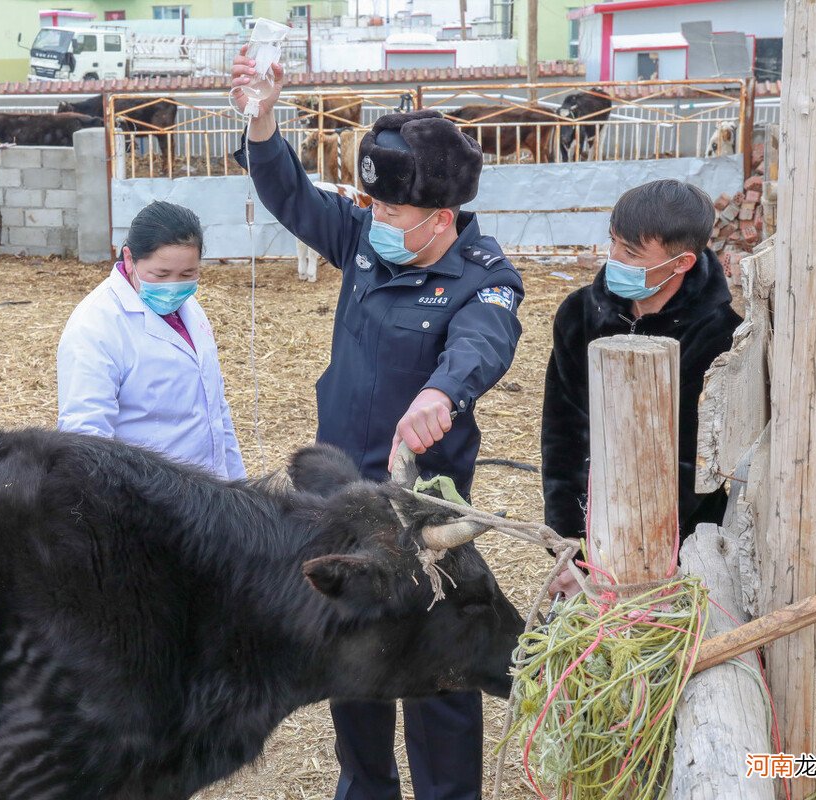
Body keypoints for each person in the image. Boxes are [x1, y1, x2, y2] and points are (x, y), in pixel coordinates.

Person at [231, 54, 524, 800]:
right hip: (346, 495)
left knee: (439, 659)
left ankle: (447, 793)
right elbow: (292, 198)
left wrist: (442, 392)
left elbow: (482, 344)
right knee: (354, 650)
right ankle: (364, 786)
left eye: (394, 214)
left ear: (442, 219)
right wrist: (263, 122)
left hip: (427, 504)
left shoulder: (484, 275)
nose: (377, 222)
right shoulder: (365, 238)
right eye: (374, 207)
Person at [542, 179, 742, 598]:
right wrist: (572, 551)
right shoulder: (579, 313)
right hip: (589, 531)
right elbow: (562, 433)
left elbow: (692, 462)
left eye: (631, 252)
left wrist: (625, 556)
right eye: (613, 242)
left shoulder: (722, 336)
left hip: (677, 546)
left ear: (681, 262)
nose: (613, 258)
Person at [57, 201, 246, 480]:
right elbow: (86, 439)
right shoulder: (96, 326)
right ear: (130, 259)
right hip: (147, 501)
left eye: (187, 275)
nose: (173, 286)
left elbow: (215, 409)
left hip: (208, 494)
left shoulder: (190, 310)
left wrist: (237, 486)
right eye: (160, 275)